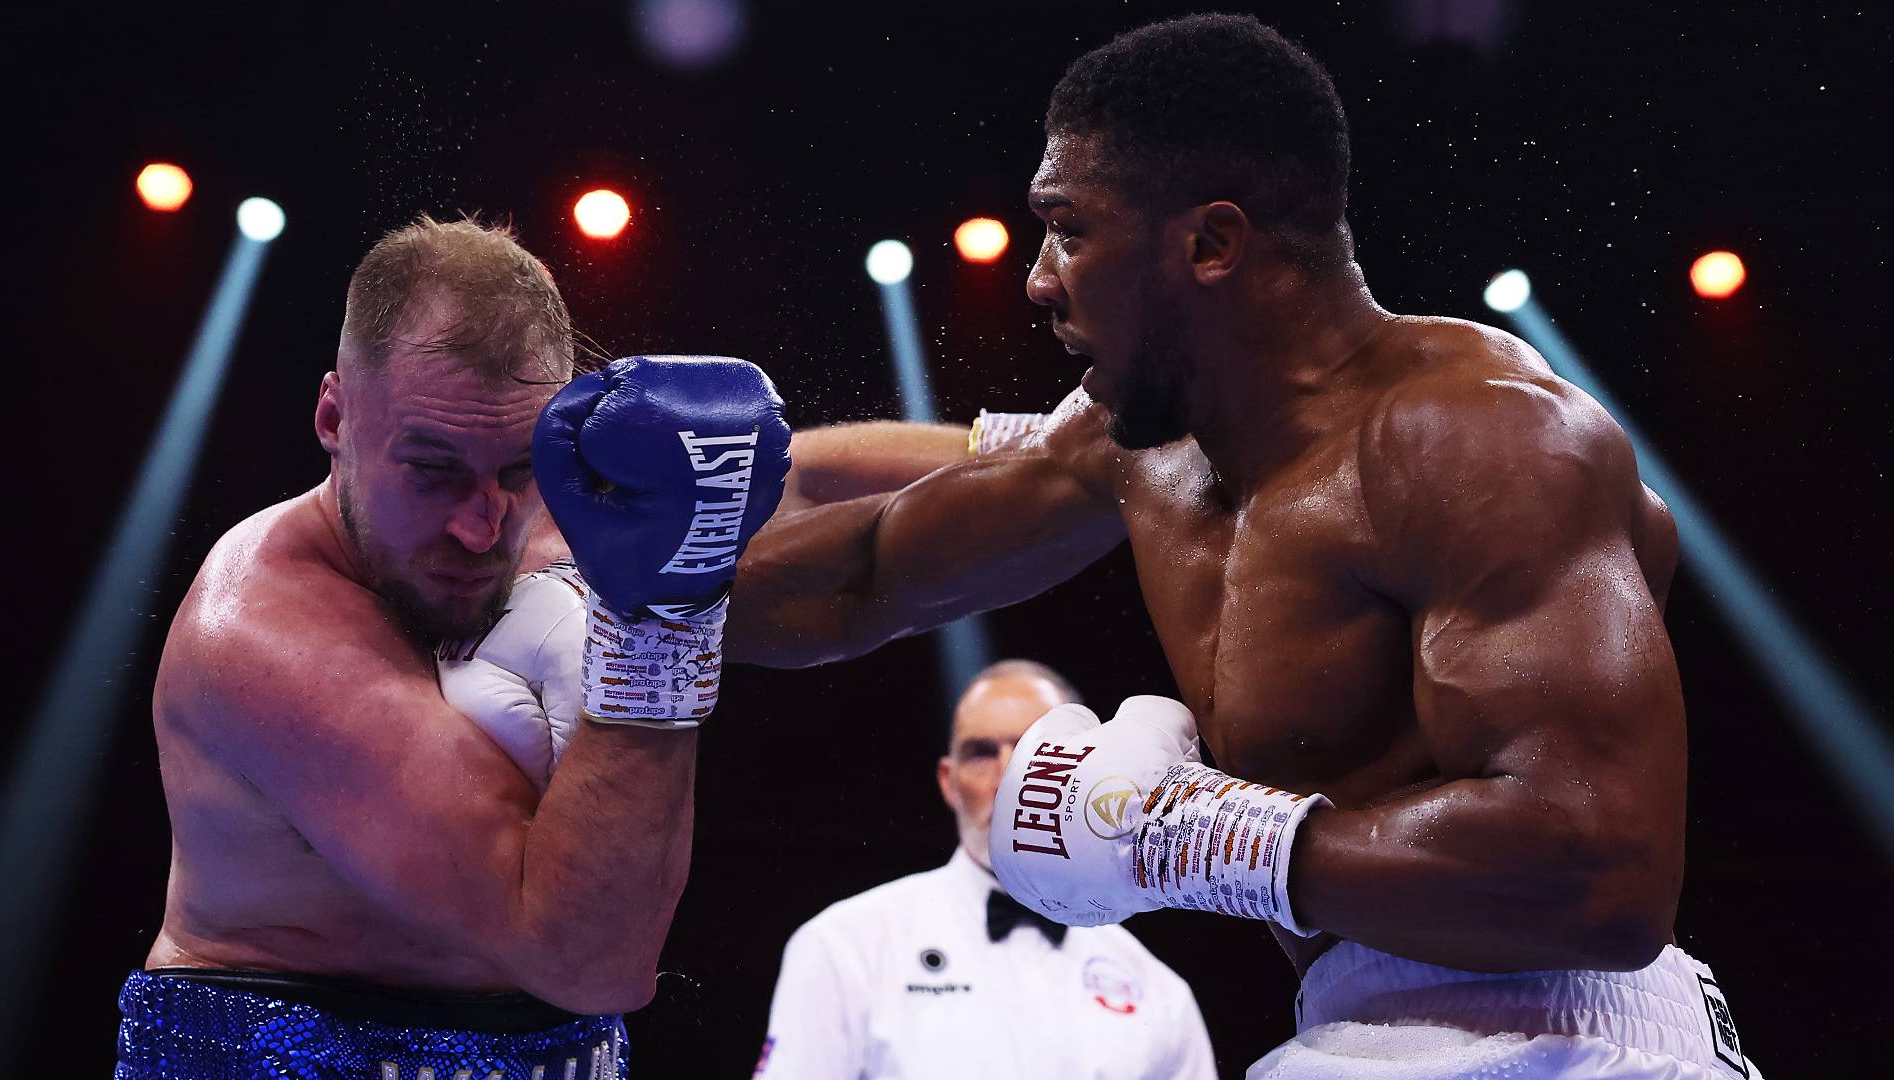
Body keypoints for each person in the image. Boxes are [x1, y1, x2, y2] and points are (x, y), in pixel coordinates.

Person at [716, 14, 1761, 1078]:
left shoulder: (1480, 440)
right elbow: (870, 573)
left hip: (1567, 1031)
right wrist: (629, 595)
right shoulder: (1138, 445)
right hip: (1349, 1021)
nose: (1037, 279)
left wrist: (1202, 838)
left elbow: (1603, 877)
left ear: (1211, 245)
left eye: (1069, 230)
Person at [118, 216, 792, 1079]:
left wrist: (984, 456)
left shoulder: (562, 520)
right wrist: (661, 628)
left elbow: (864, 554)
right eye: (433, 470)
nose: (482, 527)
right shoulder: (262, 633)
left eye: (519, 470)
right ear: (333, 415)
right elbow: (587, 962)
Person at [755, 660, 1213, 1080]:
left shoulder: (1157, 988)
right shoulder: (846, 946)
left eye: (1036, 751)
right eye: (981, 752)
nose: (1009, 777)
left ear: (1086, 772)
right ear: (948, 782)